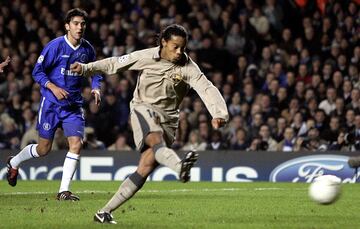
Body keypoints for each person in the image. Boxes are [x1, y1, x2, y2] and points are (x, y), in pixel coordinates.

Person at [70, 24, 228, 224]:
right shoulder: (146, 56)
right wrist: (86, 68)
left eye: (183, 48)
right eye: (175, 47)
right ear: (163, 42)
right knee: (155, 138)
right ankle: (180, 167)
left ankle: (104, 212)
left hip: (169, 120)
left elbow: (207, 88)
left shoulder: (188, 67)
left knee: (145, 167)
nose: (180, 52)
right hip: (143, 108)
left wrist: (219, 113)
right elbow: (116, 63)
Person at [6, 8, 102, 201]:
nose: (80, 27)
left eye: (82, 24)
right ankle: (14, 162)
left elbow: (95, 70)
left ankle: (63, 191)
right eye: (75, 23)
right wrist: (52, 87)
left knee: (76, 144)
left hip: (73, 106)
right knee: (43, 149)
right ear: (67, 26)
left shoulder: (87, 49)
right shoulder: (55, 46)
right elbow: (37, 71)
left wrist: (96, 87)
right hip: (51, 104)